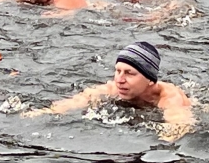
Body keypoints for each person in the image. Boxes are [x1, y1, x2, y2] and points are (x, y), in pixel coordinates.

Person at [26, 41, 194, 141]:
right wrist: (46, 112)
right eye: (117, 71)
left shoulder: (170, 97)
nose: (120, 79)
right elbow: (79, 100)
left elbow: (178, 127)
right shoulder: (113, 88)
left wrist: (166, 138)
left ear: (150, 79)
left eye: (129, 73)